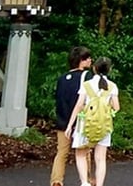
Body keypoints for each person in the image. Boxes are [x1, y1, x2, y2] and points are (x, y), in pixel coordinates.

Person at [65, 57, 119, 186]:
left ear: (94, 68)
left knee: (81, 154)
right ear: (109, 70)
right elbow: (116, 107)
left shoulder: (87, 85)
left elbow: (79, 105)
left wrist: (70, 125)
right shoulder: (112, 86)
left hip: (85, 124)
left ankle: (85, 182)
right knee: (100, 159)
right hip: (104, 125)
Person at [52, 46, 92, 186]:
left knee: (61, 153)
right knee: (84, 152)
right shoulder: (86, 76)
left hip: (62, 119)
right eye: (87, 58)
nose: (90, 60)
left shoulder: (62, 78)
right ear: (81, 60)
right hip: (80, 120)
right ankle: (87, 180)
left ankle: (56, 180)